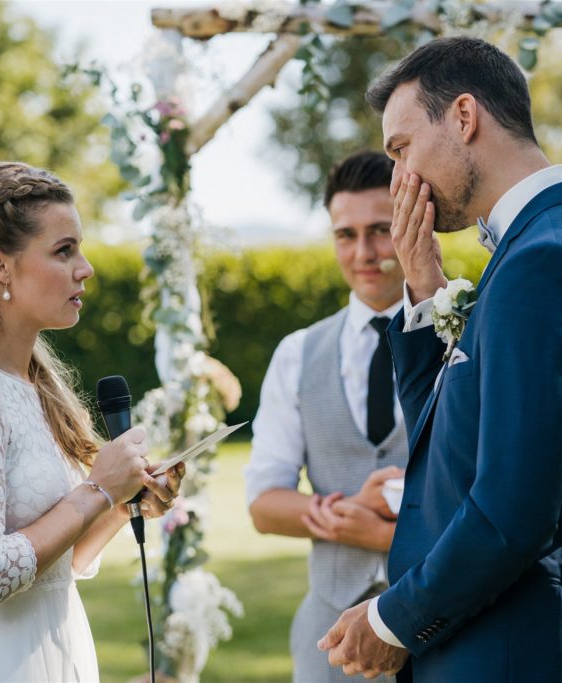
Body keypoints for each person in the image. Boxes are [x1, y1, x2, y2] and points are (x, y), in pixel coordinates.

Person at [318, 38, 562, 683]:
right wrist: (423, 293)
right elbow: (454, 451)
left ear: (464, 117)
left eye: (401, 148)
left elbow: (512, 512)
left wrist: (393, 621)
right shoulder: (541, 248)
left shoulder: (544, 263)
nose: (399, 183)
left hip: (526, 653)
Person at [0, 161, 184, 682]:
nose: (85, 268)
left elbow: (52, 567)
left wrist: (121, 502)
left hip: (57, 647)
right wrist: (97, 490)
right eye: (64, 250)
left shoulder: (34, 384)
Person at [245, 150, 410, 683]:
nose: (364, 252)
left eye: (380, 229)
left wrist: (382, 532)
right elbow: (265, 504)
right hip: (331, 644)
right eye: (346, 234)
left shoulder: (468, 338)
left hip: (448, 627)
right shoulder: (297, 353)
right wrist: (346, 515)